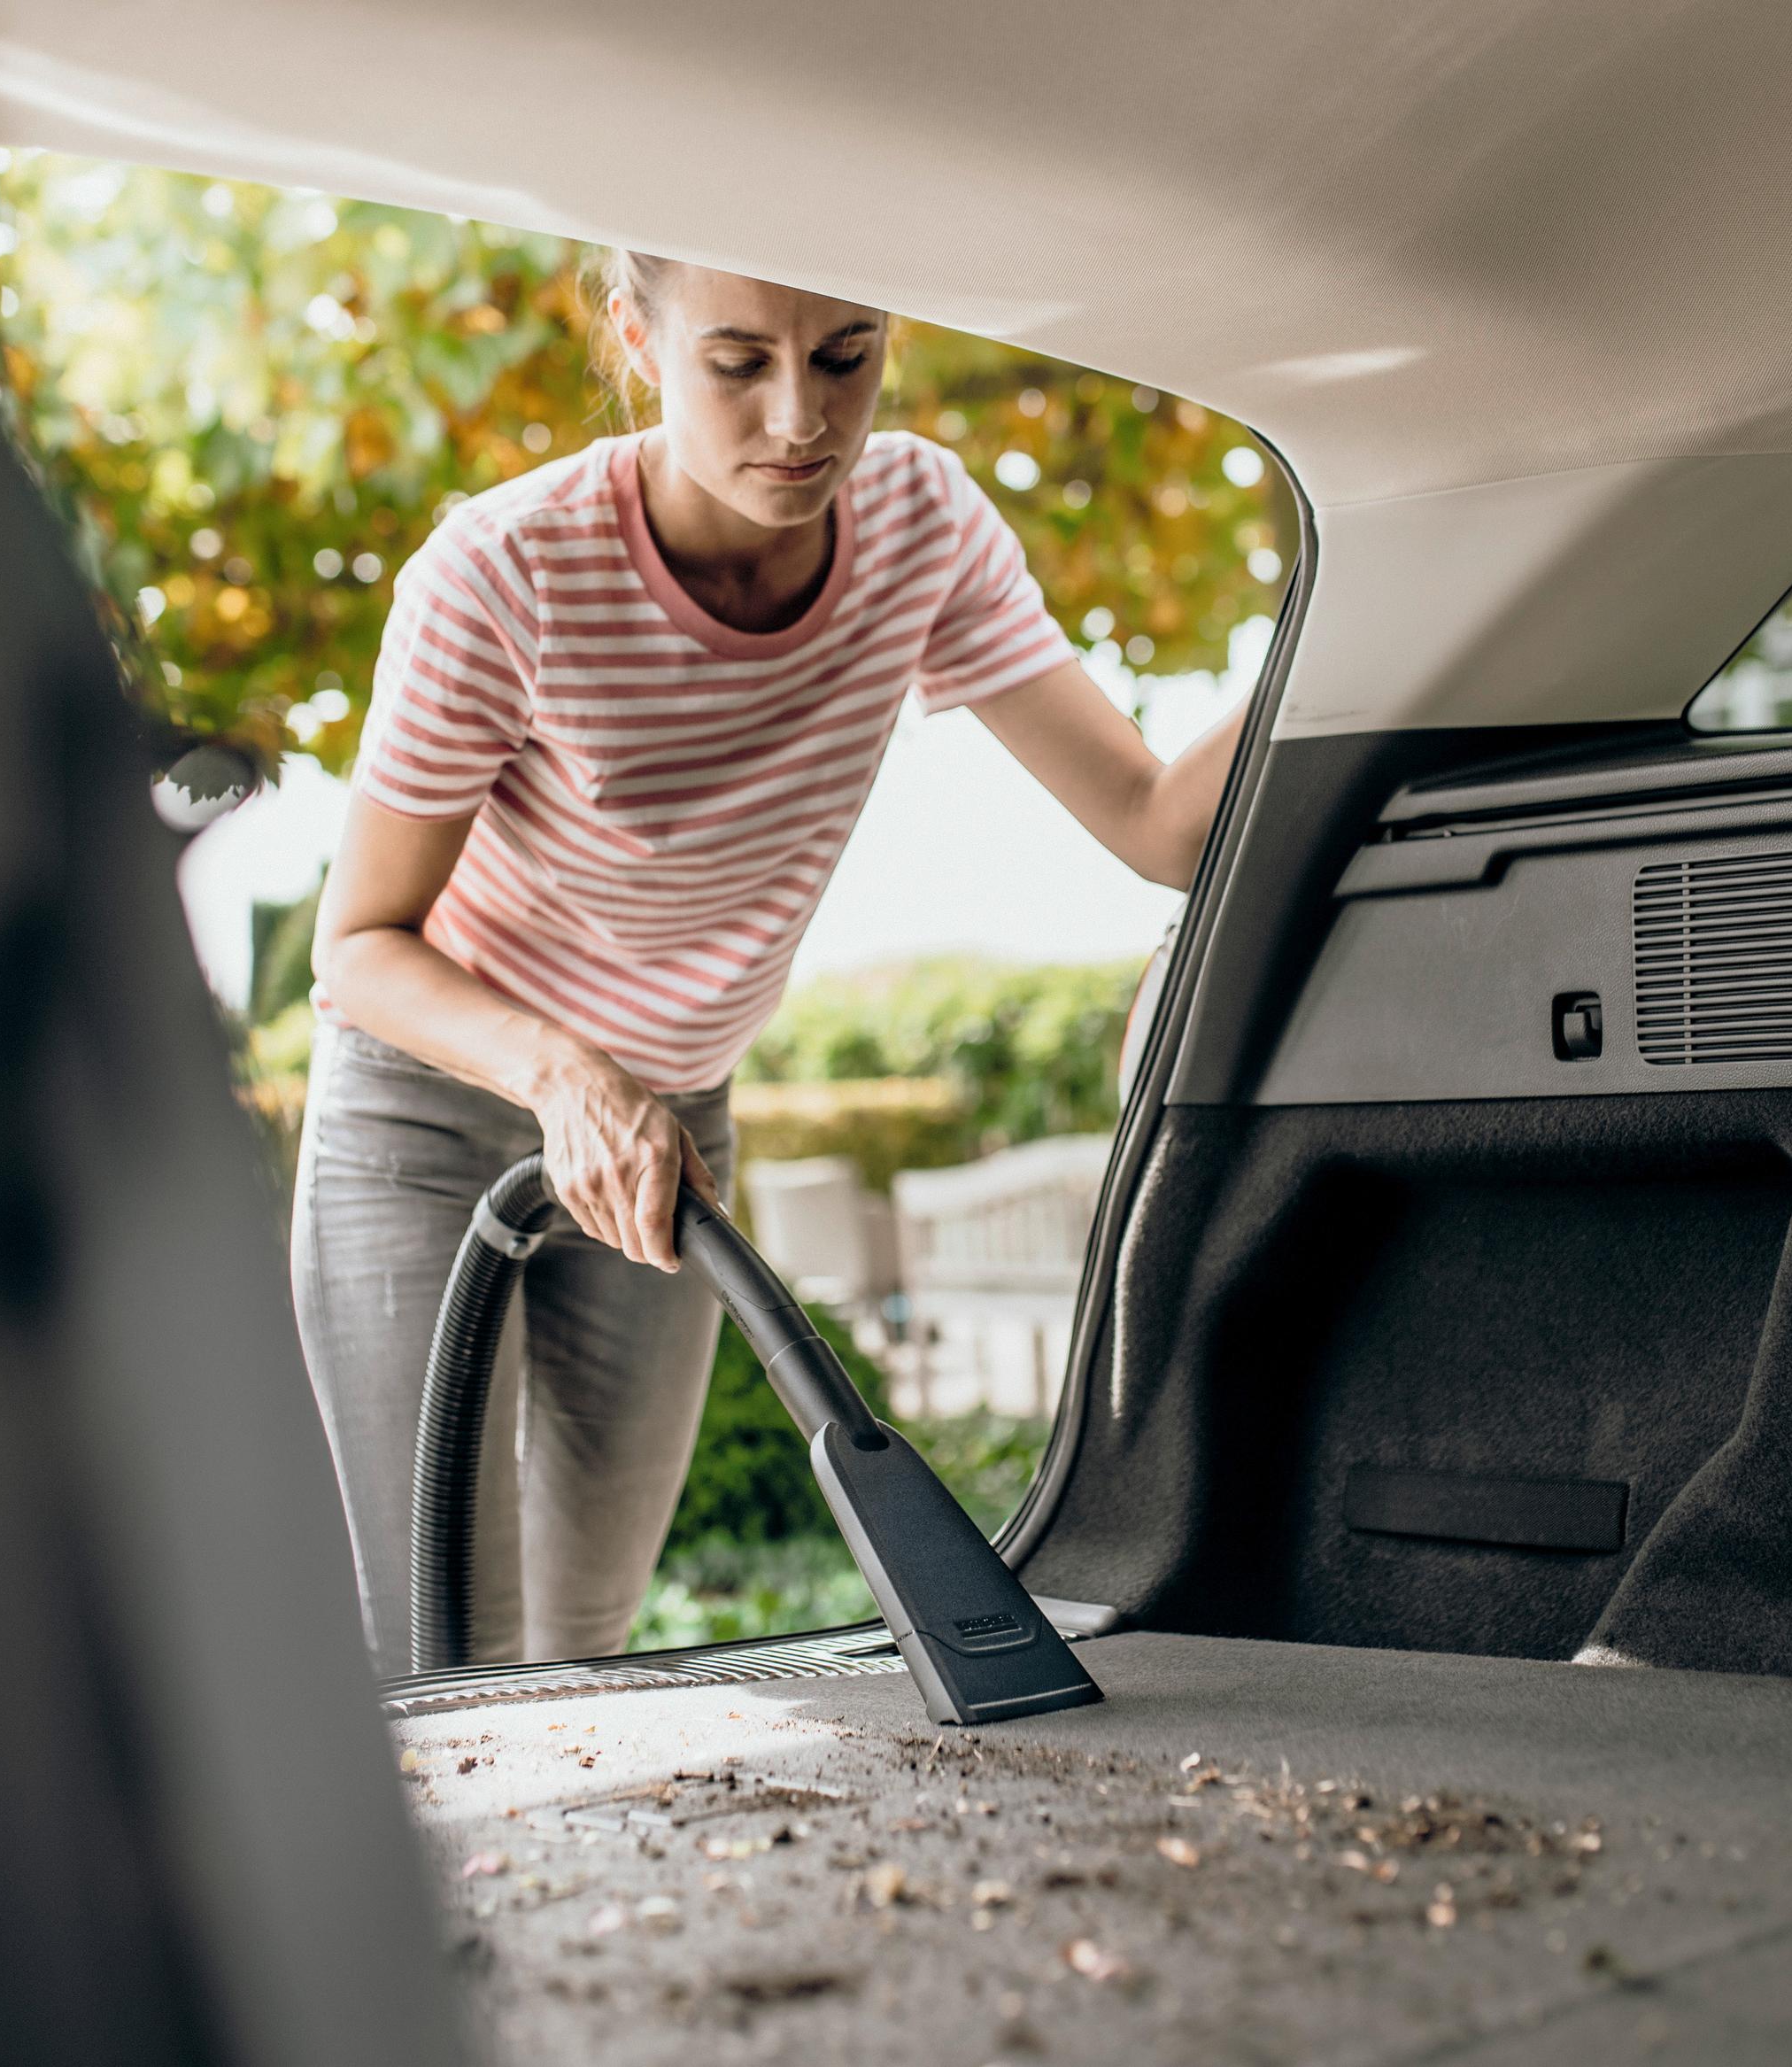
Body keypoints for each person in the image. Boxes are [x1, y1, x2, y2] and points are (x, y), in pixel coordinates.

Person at [292, 252, 1243, 1666]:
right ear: (638, 337)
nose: (801, 418)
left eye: (846, 356)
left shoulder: (920, 528)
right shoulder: (506, 572)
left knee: (588, 1638)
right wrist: (562, 1074)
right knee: (445, 1647)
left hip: (665, 1120)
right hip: (426, 1112)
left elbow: (1160, 822)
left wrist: (1358, 614)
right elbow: (360, 946)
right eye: (738, 362)